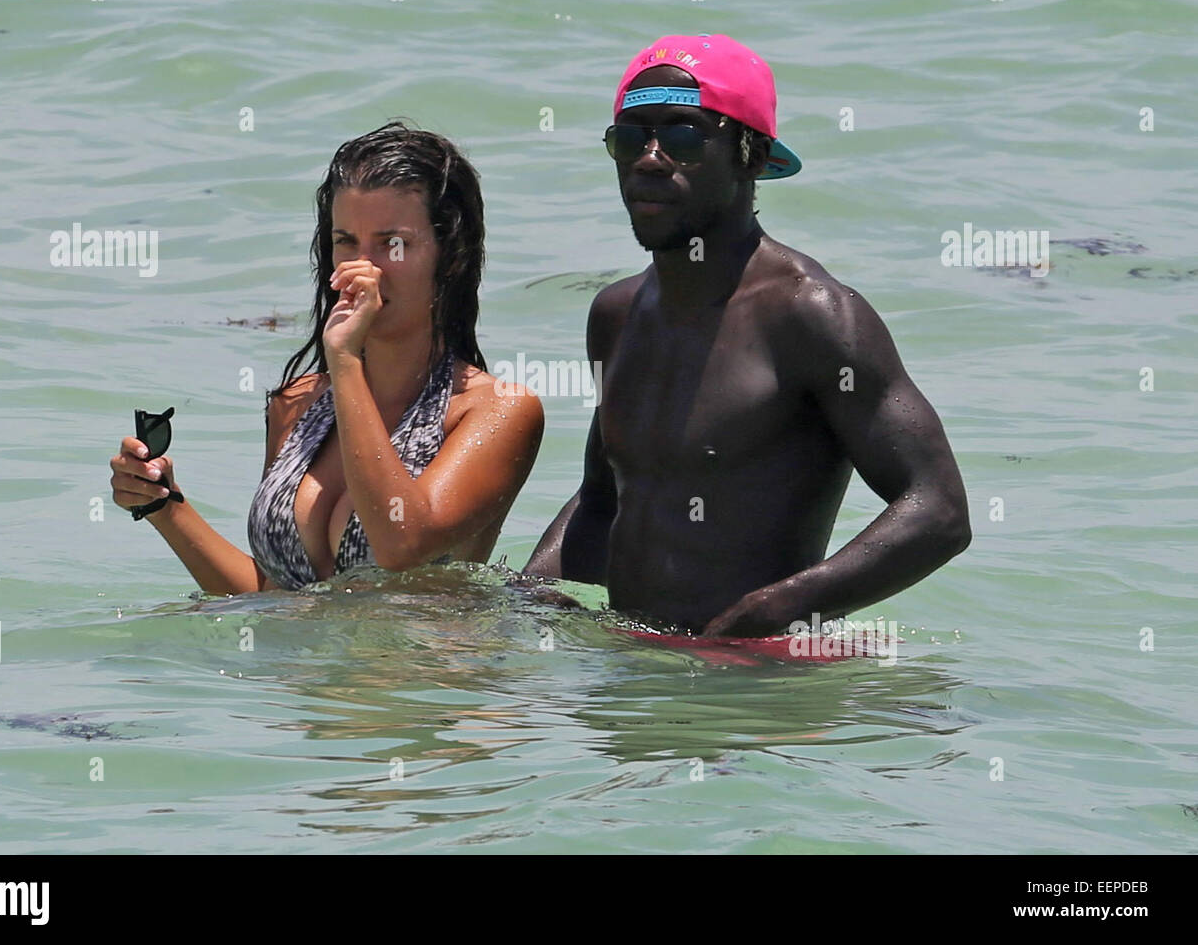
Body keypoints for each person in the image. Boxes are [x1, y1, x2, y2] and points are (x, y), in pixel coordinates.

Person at [525, 34, 970, 636]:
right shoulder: (616, 314)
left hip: (752, 684)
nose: (650, 159)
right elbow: (604, 496)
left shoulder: (812, 316)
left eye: (683, 137)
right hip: (630, 666)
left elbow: (938, 511)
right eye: (630, 138)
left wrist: (766, 615)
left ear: (752, 157)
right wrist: (531, 591)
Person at [111, 122, 544, 592]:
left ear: (450, 255)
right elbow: (281, 597)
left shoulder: (496, 411)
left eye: (392, 244)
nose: (362, 268)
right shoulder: (295, 406)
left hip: (424, 666)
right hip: (303, 666)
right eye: (346, 242)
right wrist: (164, 506)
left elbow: (402, 544)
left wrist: (344, 361)